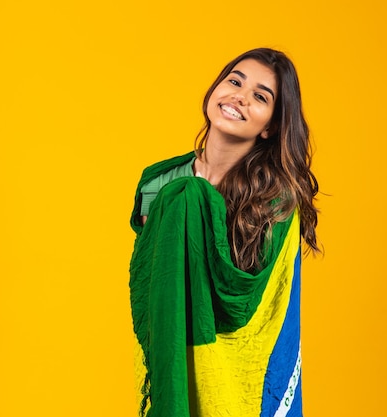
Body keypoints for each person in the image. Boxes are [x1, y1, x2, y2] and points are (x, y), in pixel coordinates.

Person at [128, 48, 319, 417]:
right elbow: (156, 283)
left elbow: (250, 306)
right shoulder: (160, 184)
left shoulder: (275, 202)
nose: (239, 97)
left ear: (271, 125)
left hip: (239, 385)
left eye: (260, 97)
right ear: (215, 89)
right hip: (176, 355)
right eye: (234, 81)